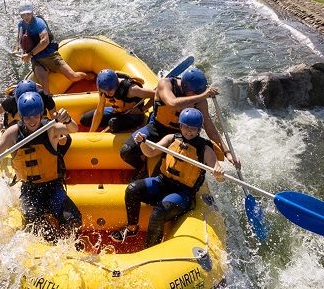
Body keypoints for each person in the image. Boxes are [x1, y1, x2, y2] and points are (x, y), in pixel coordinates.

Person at [111, 108, 225, 247]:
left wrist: (218, 173)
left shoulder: (205, 149)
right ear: (181, 126)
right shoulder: (171, 138)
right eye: (186, 127)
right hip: (162, 182)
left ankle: (150, 248)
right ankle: (132, 228)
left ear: (199, 130)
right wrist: (142, 143)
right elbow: (150, 152)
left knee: (157, 214)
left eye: (193, 129)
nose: (189, 131)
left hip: (183, 192)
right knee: (132, 189)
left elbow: (218, 175)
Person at [0, 91, 82, 242]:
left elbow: (73, 129)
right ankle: (52, 244)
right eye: (28, 117)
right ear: (21, 117)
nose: (32, 120)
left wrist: (68, 119)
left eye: (36, 116)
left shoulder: (50, 128)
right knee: (33, 221)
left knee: (73, 218)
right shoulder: (12, 133)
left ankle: (68, 242)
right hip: (30, 190)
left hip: (53, 187)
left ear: (41, 114)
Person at [120, 67, 240, 182]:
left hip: (179, 136)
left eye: (199, 93)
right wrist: (203, 95)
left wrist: (227, 152)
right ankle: (142, 169)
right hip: (156, 128)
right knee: (126, 151)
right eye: (194, 93)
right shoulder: (166, 84)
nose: (196, 96)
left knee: (163, 172)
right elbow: (173, 103)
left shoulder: (199, 99)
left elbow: (209, 126)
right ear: (185, 87)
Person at [14, 0, 95, 94]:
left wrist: (30, 54)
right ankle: (49, 105)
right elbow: (19, 38)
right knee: (43, 83)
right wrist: (16, 49)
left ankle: (87, 76)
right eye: (23, 15)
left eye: (28, 14)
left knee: (73, 77)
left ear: (32, 13)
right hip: (37, 60)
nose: (26, 17)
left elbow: (45, 41)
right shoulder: (21, 24)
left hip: (49, 55)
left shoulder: (38, 23)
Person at [79, 69, 155, 133]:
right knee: (84, 119)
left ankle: (132, 130)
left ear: (115, 85)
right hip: (116, 111)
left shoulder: (131, 90)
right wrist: (91, 133)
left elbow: (155, 95)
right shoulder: (103, 90)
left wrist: (141, 109)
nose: (107, 94)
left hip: (133, 115)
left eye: (109, 91)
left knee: (113, 124)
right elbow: (99, 111)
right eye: (105, 91)